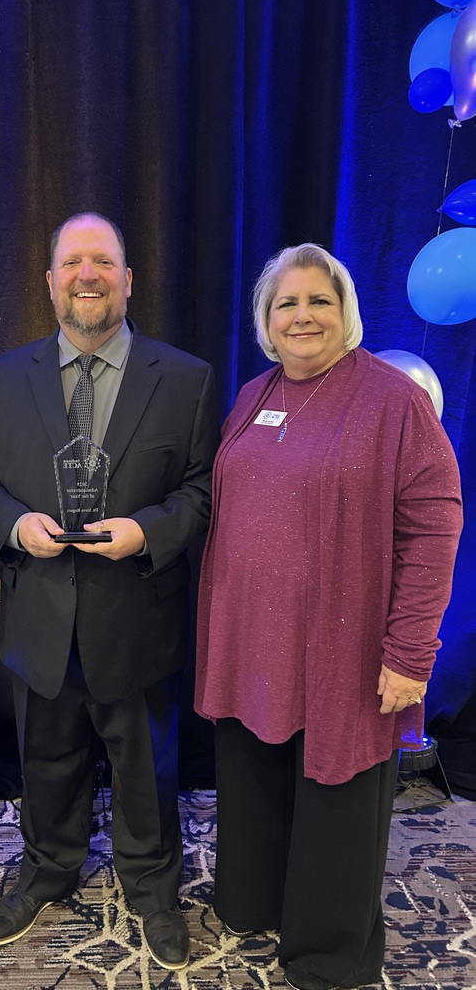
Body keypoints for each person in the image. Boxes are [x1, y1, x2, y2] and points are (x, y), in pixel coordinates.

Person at [195, 243, 463, 990]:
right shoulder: (254, 394)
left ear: (346, 313)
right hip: (253, 638)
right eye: (287, 303)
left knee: (335, 793)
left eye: (320, 300)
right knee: (256, 770)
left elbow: (434, 524)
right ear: (265, 320)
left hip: (346, 645)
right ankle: (255, 902)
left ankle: (327, 952)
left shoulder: (391, 400)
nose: (303, 315)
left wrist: (410, 652)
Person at [0, 211, 220, 971]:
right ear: (50, 282)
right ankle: (47, 869)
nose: (87, 274)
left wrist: (147, 531)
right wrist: (14, 526)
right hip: (39, 609)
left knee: (146, 766)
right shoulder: (1, 377)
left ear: (127, 279)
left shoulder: (187, 379)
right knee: (45, 759)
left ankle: (152, 887)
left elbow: (203, 492)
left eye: (102, 261)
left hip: (137, 611)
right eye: (72, 262)